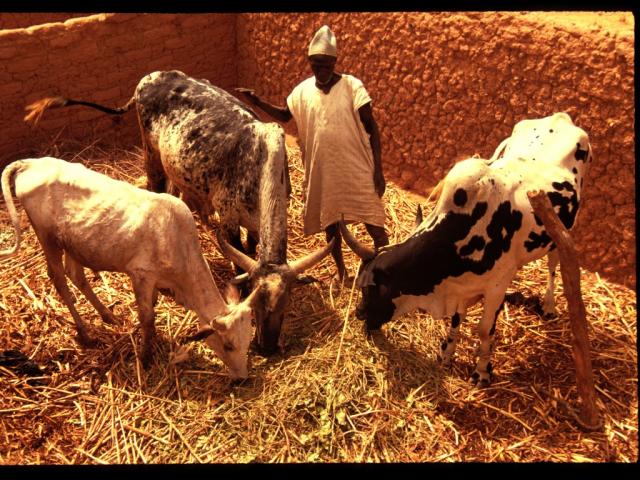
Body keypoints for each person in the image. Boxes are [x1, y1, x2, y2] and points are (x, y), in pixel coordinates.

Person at [237, 25, 389, 281]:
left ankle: (386, 271)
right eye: (317, 65)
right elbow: (286, 115)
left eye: (327, 65)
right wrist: (257, 102)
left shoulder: (352, 86)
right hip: (323, 169)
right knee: (332, 224)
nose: (322, 70)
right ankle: (342, 273)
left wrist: (378, 170)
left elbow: (371, 125)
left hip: (356, 166)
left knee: (374, 219)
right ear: (309, 62)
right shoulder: (302, 91)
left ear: (335, 62)